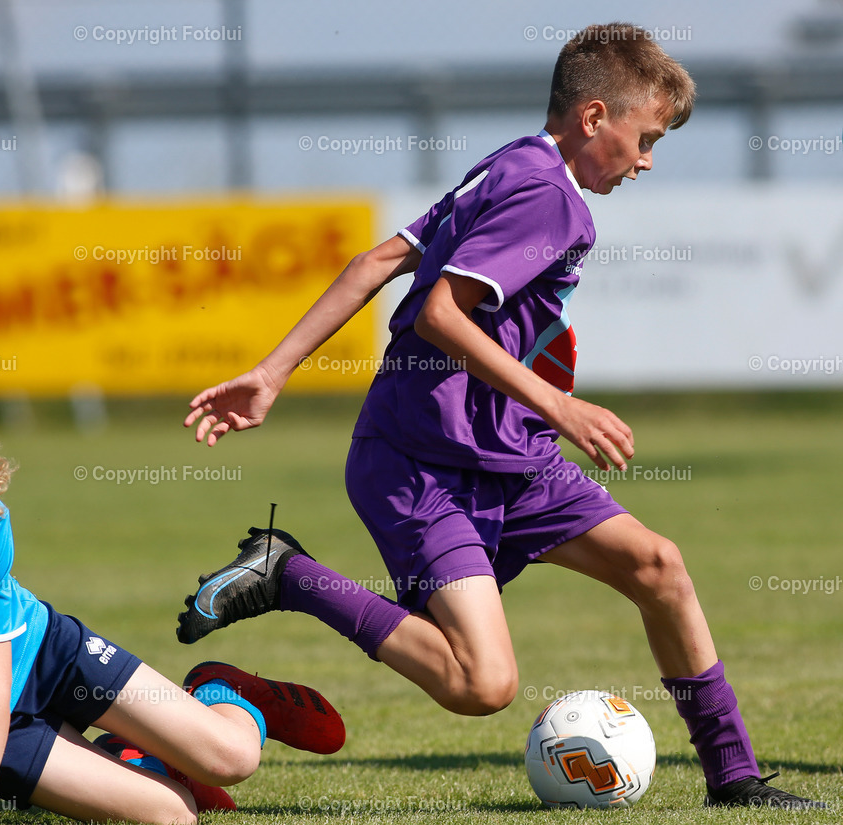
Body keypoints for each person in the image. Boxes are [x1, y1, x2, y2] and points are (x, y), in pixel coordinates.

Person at [178, 23, 825, 810]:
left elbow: (377, 262)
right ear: (595, 118)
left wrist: (271, 373)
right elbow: (440, 316)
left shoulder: (513, 161)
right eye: (646, 137)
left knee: (659, 566)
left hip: (509, 455)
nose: (648, 159)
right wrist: (560, 404)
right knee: (481, 683)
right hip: (423, 464)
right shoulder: (552, 199)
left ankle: (734, 778)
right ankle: (292, 574)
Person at [0, 392, 346, 825]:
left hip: (42, 654)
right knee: (173, 813)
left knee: (233, 759)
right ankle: (137, 755)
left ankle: (219, 690)